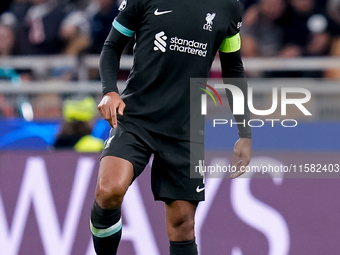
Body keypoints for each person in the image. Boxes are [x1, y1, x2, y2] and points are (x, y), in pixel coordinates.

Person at [90, 0, 252, 254]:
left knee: (183, 225)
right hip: (137, 118)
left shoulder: (228, 7)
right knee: (109, 191)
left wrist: (244, 132)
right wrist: (109, 91)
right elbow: (112, 46)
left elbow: (233, 69)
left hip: (185, 130)